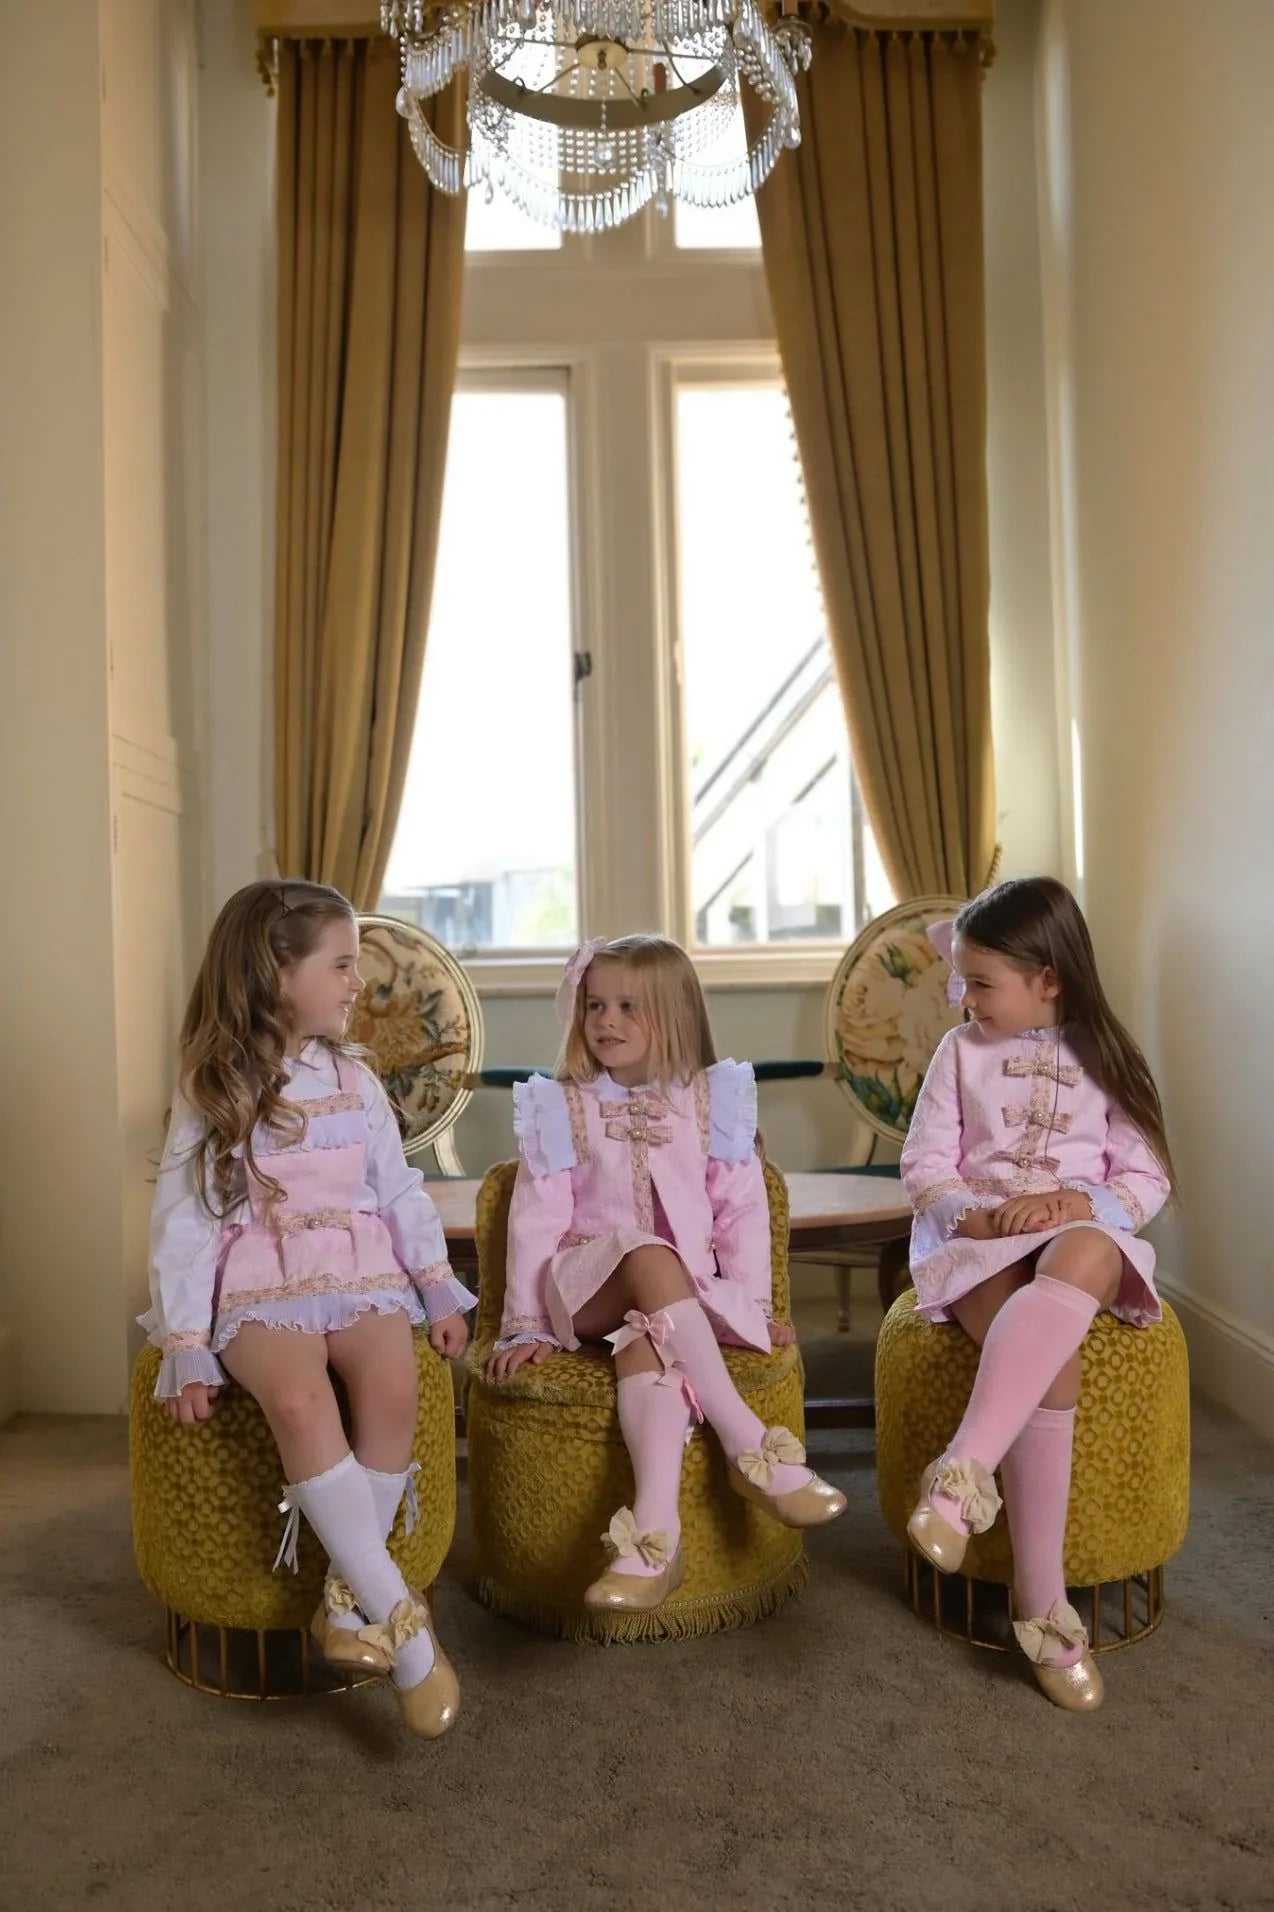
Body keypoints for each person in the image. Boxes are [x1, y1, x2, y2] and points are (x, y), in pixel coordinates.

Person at [142, 879, 475, 1737]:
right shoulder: (212, 1083)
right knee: (298, 1399)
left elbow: (396, 1188)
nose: (356, 982)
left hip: (356, 1261)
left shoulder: (356, 1081)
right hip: (256, 1268)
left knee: (393, 1384)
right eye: (340, 964)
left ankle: (343, 1599)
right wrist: (184, 1339)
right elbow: (182, 1215)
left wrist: (434, 1281)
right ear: (277, 973)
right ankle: (407, 1636)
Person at [486, 933, 846, 1615]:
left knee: (645, 1340)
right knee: (645, 1255)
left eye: (628, 1006)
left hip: (682, 1295)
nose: (606, 1021)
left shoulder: (712, 1100)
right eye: (595, 1005)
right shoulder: (562, 1106)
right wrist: (523, 1326)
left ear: (675, 1014)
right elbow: (534, 1217)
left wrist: (754, 1303)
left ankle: (653, 1541)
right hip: (585, 1285)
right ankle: (752, 1449)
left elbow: (741, 1210)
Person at [900, 877, 1173, 1711]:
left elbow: (1146, 1176)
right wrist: (972, 1216)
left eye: (981, 982)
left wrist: (1075, 1203)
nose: (964, 997)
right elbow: (924, 1168)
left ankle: (959, 1477)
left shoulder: (1107, 1054)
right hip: (979, 1244)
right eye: (962, 980)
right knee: (1050, 1365)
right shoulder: (958, 1054)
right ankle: (1041, 1599)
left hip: (1074, 1242)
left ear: (1048, 978)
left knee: (1090, 1245)